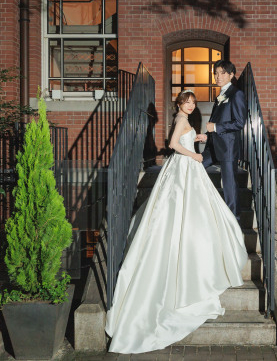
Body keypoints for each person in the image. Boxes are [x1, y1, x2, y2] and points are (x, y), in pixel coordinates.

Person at [104, 90, 248, 354]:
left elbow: (183, 139)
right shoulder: (181, 119)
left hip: (185, 168)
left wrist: (200, 138)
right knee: (184, 210)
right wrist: (194, 155)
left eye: (193, 102)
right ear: (179, 104)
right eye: (187, 101)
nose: (191, 105)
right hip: (184, 167)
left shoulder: (184, 119)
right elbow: (173, 144)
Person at [201, 60, 247, 220]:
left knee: (229, 186)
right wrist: (207, 135)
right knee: (195, 166)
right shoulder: (220, 95)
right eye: (216, 73)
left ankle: (234, 221)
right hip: (213, 146)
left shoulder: (236, 94)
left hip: (227, 147)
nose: (218, 76)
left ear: (231, 75)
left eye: (222, 73)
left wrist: (216, 127)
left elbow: (240, 122)